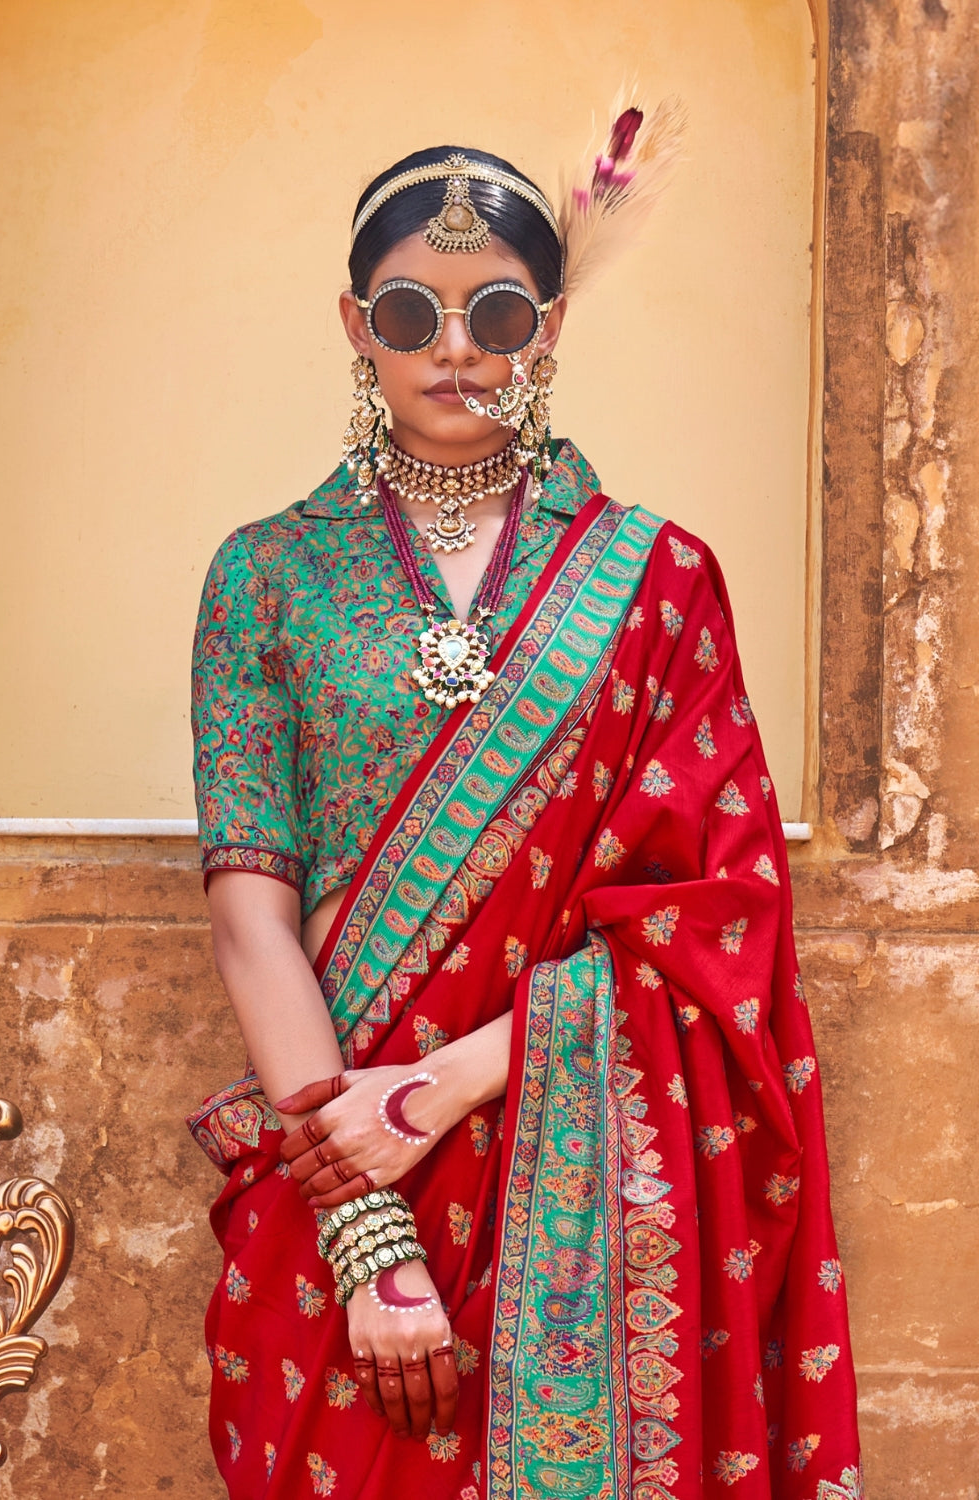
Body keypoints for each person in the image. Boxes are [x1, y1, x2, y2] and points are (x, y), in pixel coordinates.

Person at [188, 114, 863, 1500]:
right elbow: (251, 919)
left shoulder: (658, 581)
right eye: (409, 311)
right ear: (354, 325)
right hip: (342, 1197)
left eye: (496, 309)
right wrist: (367, 1229)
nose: (455, 346)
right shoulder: (265, 578)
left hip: (587, 1188)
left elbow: (716, 922)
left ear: (547, 326)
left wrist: (430, 1093)